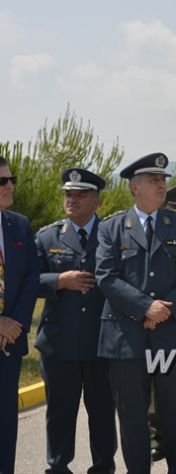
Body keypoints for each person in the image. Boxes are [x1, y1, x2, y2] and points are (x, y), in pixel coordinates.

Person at [95, 152, 176, 474]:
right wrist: (146, 307)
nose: (161, 185)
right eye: (154, 180)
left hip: (173, 336)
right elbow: (106, 276)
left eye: (163, 180)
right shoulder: (112, 228)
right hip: (126, 339)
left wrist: (163, 310)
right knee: (132, 420)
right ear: (134, 187)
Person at [35, 168, 117, 473]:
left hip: (101, 342)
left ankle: (103, 466)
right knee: (59, 412)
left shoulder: (111, 236)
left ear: (96, 200)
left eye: (80, 195)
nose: (72, 199)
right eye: (68, 194)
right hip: (60, 344)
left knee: (103, 412)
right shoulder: (47, 236)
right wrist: (59, 280)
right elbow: (29, 280)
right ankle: (58, 466)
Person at [0, 156, 40, 474]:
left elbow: (31, 278)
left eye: (11, 179)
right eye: (2, 181)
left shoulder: (20, 225)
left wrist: (15, 324)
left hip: (9, 345)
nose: (10, 185)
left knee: (5, 428)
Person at [150, 183, 176, 462]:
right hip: (150, 319)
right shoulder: (151, 235)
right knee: (154, 389)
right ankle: (156, 438)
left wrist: (171, 308)